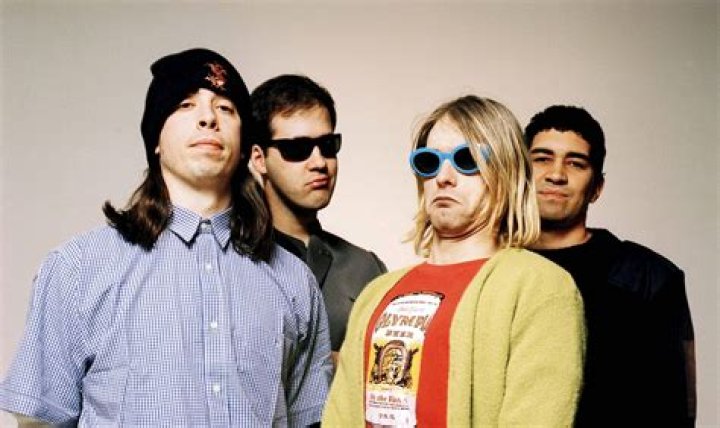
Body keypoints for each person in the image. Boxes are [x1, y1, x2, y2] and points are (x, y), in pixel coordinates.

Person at [0, 48, 332, 426]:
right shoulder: (77, 269)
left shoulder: (293, 279)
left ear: (244, 146)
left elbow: (312, 420)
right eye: (185, 105)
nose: (208, 117)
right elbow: (39, 421)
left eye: (225, 108)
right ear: (156, 138)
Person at [322, 95, 585, 426]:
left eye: (466, 159)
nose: (443, 177)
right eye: (429, 162)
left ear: (506, 171)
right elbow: (341, 417)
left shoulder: (541, 287)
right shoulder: (377, 293)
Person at [525, 105, 696, 427]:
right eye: (542, 159)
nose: (556, 174)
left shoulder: (648, 277)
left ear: (597, 188)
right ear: (518, 174)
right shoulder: (489, 269)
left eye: (576, 163)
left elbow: (677, 410)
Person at [249, 74, 387, 359]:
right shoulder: (230, 258)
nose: (319, 163)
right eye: (297, 149)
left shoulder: (364, 268)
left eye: (327, 145)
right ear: (259, 159)